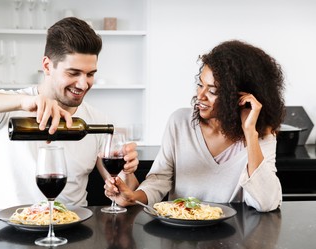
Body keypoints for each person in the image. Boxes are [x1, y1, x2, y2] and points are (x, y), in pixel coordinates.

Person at [0, 17, 139, 209]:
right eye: (73, 73)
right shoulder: (10, 108)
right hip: (14, 236)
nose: (84, 84)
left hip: (75, 233)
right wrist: (22, 102)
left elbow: (124, 189)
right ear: (47, 66)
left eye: (90, 74)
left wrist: (127, 172)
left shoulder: (97, 121)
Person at [105, 40, 285, 212]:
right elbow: (159, 180)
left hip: (234, 237)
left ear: (241, 97)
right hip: (180, 235)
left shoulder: (260, 135)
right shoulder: (180, 122)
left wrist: (250, 134)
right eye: (200, 85)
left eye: (213, 91)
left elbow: (266, 202)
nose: (201, 95)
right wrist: (132, 197)